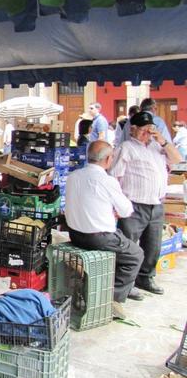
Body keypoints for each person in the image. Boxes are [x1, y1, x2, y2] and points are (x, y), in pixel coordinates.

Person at [65, 141, 144, 319]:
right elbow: (126, 210)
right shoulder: (106, 180)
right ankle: (113, 299)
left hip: (75, 234)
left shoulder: (73, 175)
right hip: (98, 238)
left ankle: (104, 287)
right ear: (108, 159)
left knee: (120, 239)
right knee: (135, 254)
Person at [110, 111, 182, 295]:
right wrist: (118, 205)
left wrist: (164, 141)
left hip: (156, 204)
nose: (146, 133)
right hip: (134, 204)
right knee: (130, 246)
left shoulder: (157, 147)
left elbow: (178, 160)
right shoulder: (126, 147)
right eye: (142, 130)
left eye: (149, 129)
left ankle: (145, 277)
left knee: (153, 245)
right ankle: (127, 284)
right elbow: (114, 177)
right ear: (133, 129)